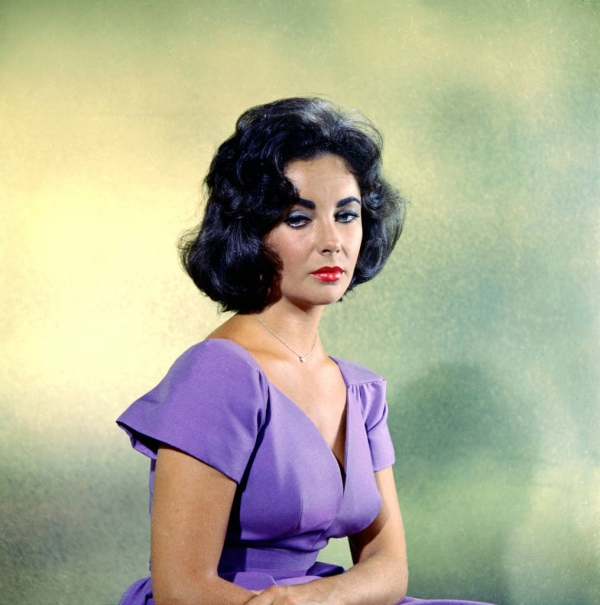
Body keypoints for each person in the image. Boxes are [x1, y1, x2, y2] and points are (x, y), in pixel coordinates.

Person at [117, 97, 494, 605]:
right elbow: (181, 589)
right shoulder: (217, 374)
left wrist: (318, 598)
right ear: (251, 232)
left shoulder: (360, 390)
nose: (332, 241)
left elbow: (389, 568)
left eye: (347, 215)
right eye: (299, 219)